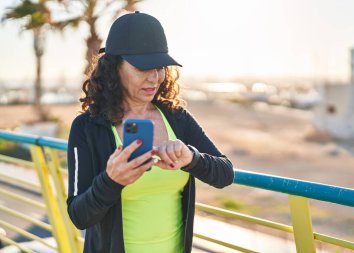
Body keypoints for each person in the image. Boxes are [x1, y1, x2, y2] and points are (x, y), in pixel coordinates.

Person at [67, 11, 234, 253]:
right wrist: (111, 181)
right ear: (114, 67)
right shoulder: (86, 128)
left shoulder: (177, 118)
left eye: (160, 67)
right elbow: (78, 215)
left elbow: (225, 173)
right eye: (143, 67)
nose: (154, 78)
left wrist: (192, 158)